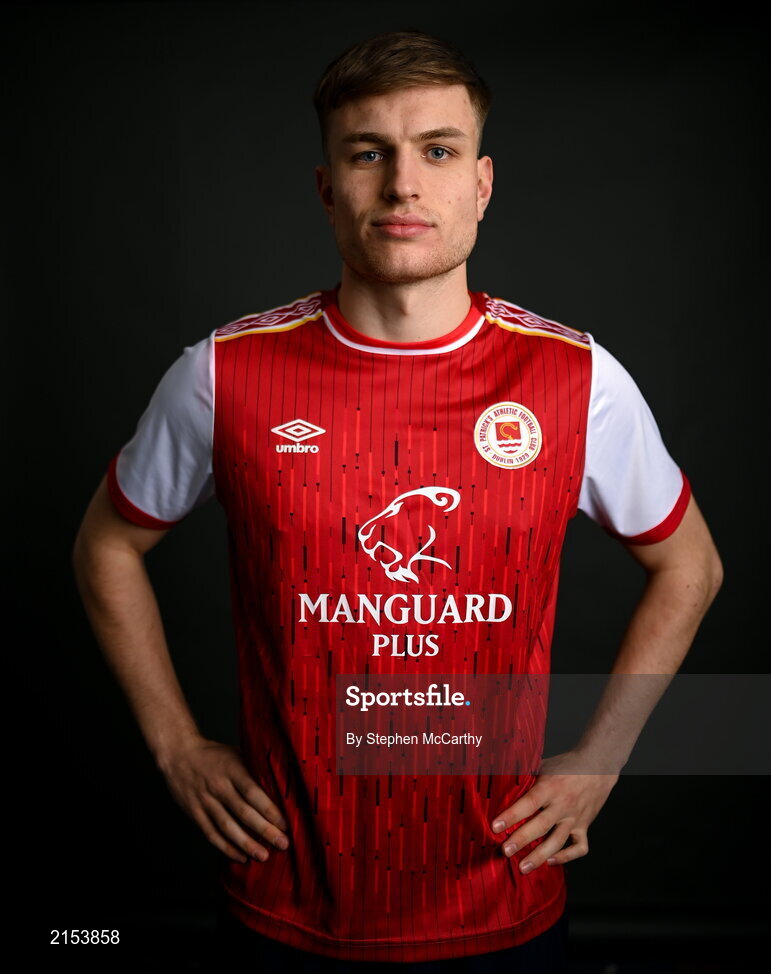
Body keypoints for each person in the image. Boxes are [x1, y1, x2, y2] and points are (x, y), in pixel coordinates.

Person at [71, 29, 723, 973]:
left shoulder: (576, 380)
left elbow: (690, 566)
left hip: (502, 902)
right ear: (328, 185)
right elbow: (104, 545)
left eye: (438, 150)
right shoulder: (225, 373)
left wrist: (598, 761)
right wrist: (175, 747)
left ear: (481, 184)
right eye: (368, 152)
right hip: (282, 905)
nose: (403, 184)